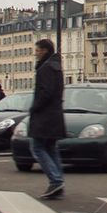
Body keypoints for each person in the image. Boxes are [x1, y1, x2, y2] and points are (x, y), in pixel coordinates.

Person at [28, 39, 66, 200]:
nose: (35, 53)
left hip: (44, 115)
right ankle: (58, 181)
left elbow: (45, 93)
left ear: (44, 51)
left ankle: (56, 180)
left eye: (37, 50)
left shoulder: (45, 68)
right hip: (55, 113)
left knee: (37, 148)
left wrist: (34, 107)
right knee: (51, 148)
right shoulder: (57, 67)